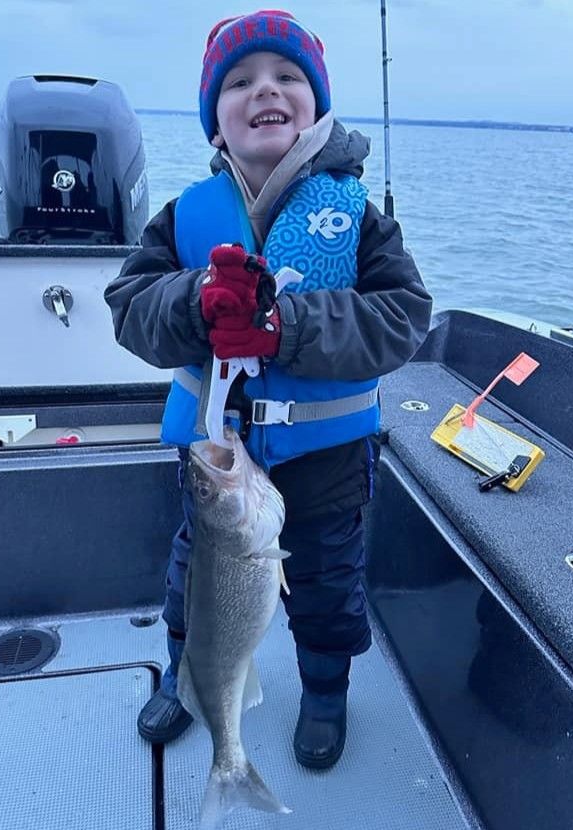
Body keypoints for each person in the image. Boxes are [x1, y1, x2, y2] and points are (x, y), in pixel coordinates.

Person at [104, 9, 432, 770]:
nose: (266, 92)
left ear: (316, 105)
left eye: (288, 77)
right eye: (241, 81)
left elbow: (403, 318)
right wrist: (195, 303)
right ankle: (194, 687)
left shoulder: (359, 220)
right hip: (219, 461)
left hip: (326, 461)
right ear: (214, 121)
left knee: (326, 585)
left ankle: (324, 693)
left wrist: (287, 328)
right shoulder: (184, 217)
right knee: (193, 580)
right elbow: (130, 309)